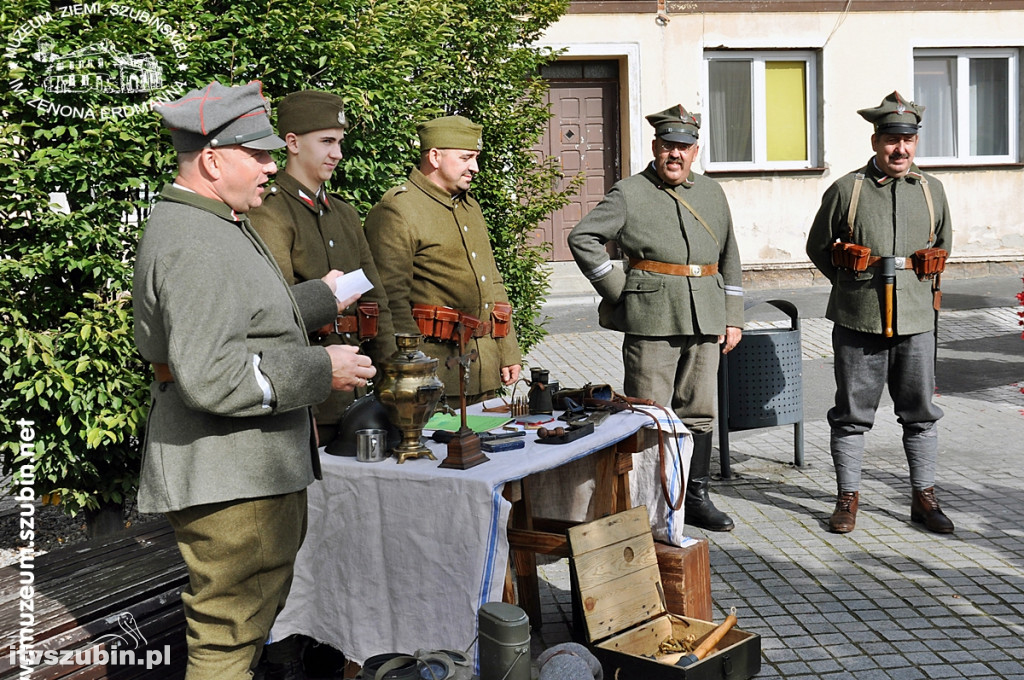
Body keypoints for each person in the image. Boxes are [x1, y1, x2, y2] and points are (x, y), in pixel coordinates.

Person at [133, 80, 375, 680]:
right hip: (231, 478)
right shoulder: (196, 241)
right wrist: (324, 367)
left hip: (240, 470)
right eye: (259, 154)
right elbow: (212, 375)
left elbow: (242, 316)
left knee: (243, 630)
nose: (273, 166)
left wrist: (321, 297)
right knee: (227, 641)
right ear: (213, 160)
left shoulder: (212, 222)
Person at [567, 104, 744, 532]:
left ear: (695, 151)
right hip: (651, 318)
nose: (675, 155)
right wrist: (618, 288)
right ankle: (649, 501)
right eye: (668, 146)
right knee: (649, 412)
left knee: (700, 411)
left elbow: (730, 256)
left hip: (705, 316)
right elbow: (583, 237)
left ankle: (695, 497)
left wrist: (733, 317)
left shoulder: (711, 193)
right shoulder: (629, 192)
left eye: (684, 148)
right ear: (655, 146)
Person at [806, 90, 954, 535]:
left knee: (921, 413)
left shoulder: (932, 191)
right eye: (891, 139)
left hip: (916, 320)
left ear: (916, 142)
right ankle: (847, 498)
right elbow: (818, 247)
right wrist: (852, 285)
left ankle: (924, 498)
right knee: (851, 415)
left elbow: (943, 245)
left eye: (908, 140)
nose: (900, 149)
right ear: (875, 141)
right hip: (859, 320)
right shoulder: (847, 190)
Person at [250, 89, 396, 453]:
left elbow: (378, 302)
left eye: (340, 142)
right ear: (293, 142)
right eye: (327, 141)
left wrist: (394, 378)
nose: (338, 153)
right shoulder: (270, 211)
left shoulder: (344, 214)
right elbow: (275, 314)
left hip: (360, 393)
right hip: (312, 399)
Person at [364, 115, 521, 404]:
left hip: (483, 372)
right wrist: (406, 373)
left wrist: (507, 350)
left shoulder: (469, 207)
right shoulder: (398, 210)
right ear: (435, 157)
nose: (474, 167)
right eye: (466, 158)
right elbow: (388, 300)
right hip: (433, 380)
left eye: (475, 158)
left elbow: (493, 282)